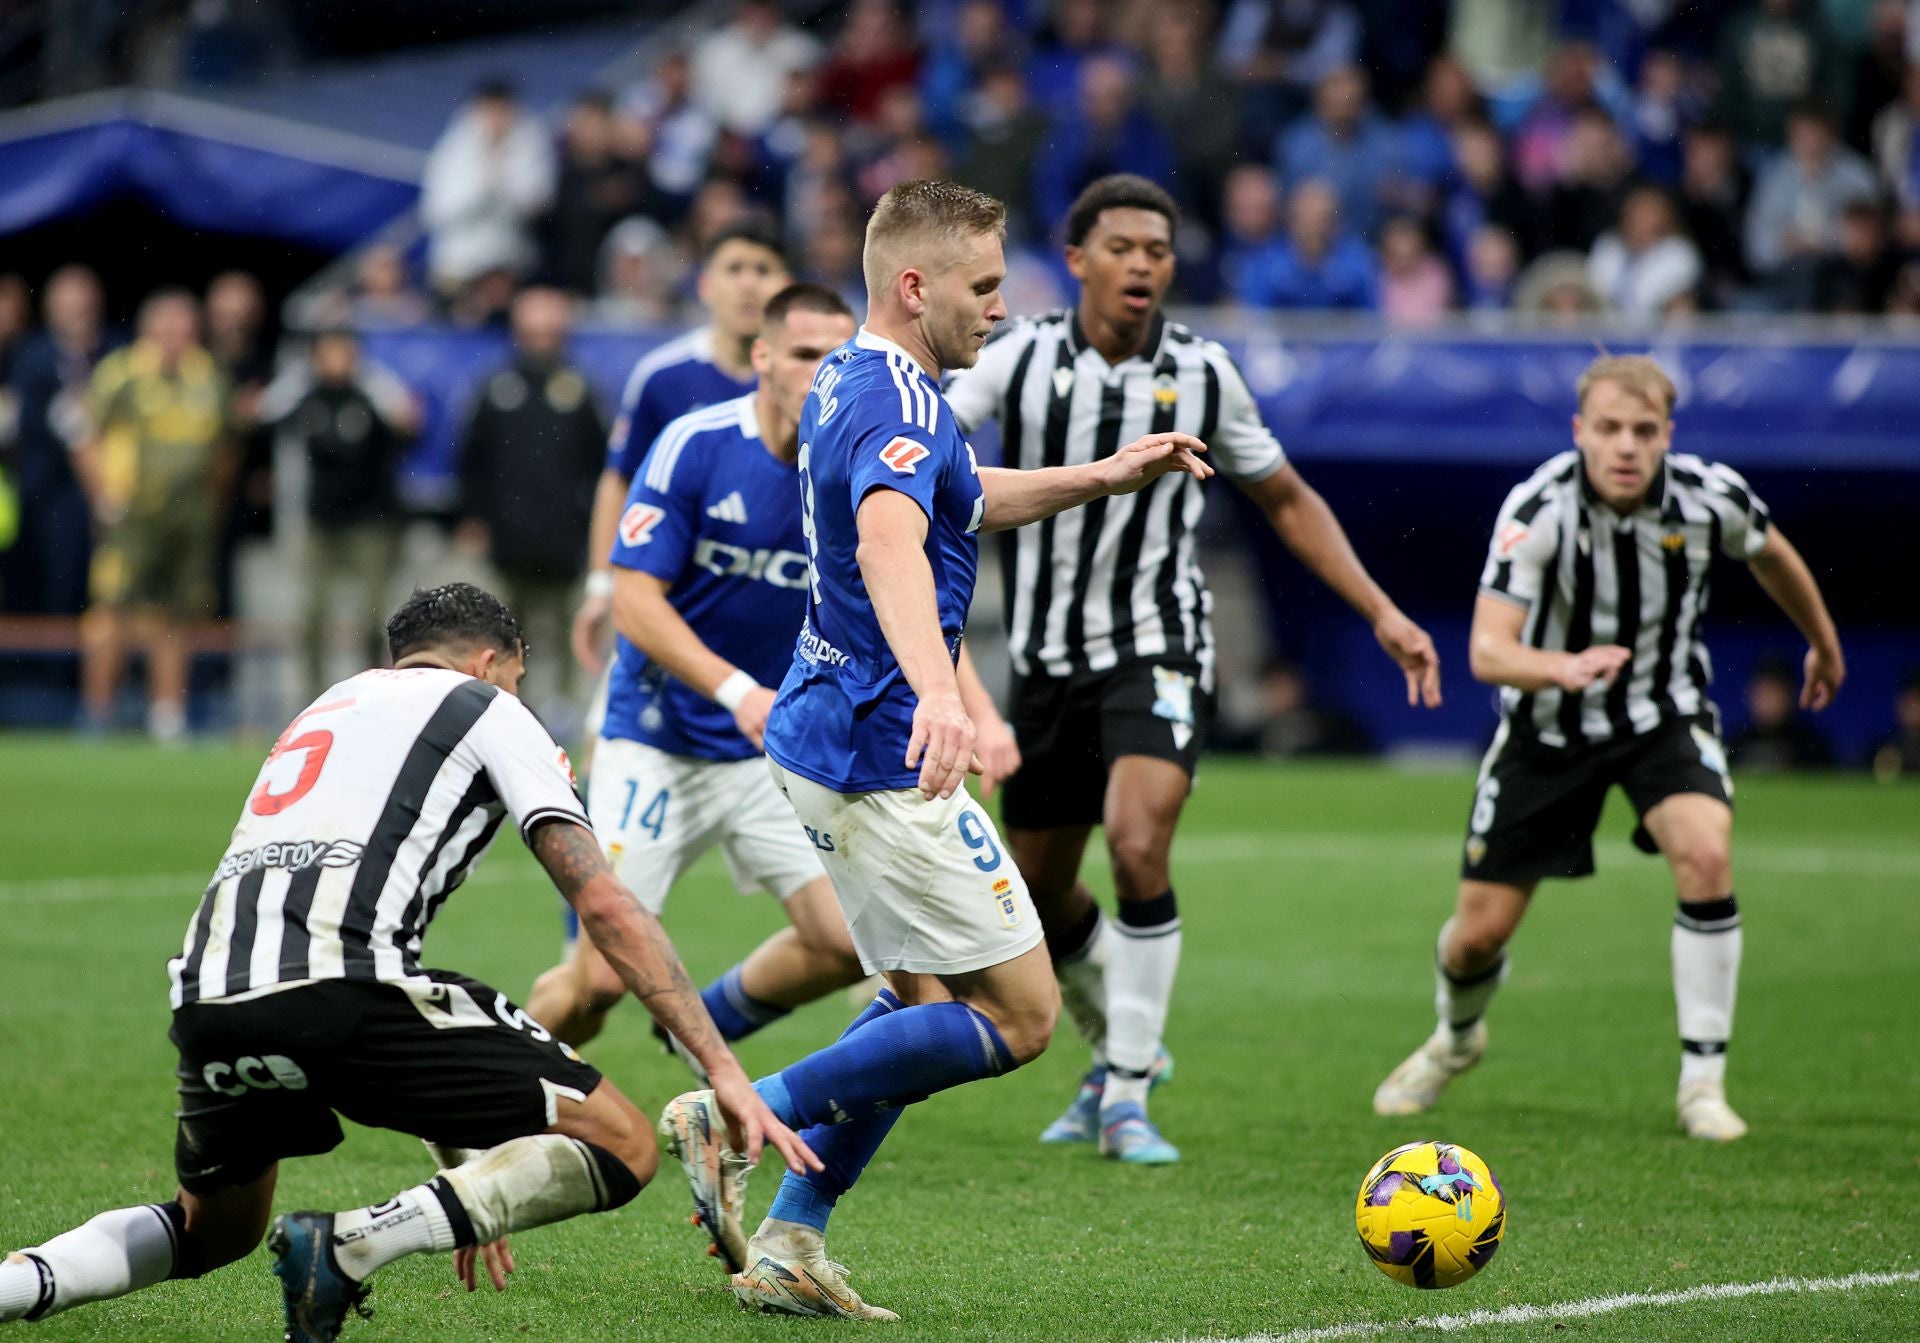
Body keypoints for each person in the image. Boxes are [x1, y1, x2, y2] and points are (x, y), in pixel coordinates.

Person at [655, 178, 1214, 1319]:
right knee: (1020, 1015)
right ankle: (737, 1106)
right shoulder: (902, 404)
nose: (1003, 309)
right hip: (872, 745)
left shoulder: (861, 378)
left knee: (920, 1001)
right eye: (985, 286)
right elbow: (890, 538)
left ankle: (793, 1238)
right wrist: (939, 696)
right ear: (916, 285)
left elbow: (953, 499)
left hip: (825, 728)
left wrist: (1100, 476)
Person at [0, 582, 815, 1341]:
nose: (518, 697)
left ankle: (15, 1284)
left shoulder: (329, 704)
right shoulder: (488, 707)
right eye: (519, 679)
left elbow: (407, 1022)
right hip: (340, 987)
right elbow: (603, 902)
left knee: (209, 1230)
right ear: (492, 663)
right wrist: (723, 1068)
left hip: (209, 994)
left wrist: (469, 1194)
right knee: (626, 1142)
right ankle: (350, 1245)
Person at [944, 173, 1440, 1163]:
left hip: (1160, 643)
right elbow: (927, 443)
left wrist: (1380, 607)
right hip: (1043, 661)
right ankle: (1119, 1052)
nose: (1142, 264)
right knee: (1035, 893)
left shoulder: (1206, 371)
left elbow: (1287, 497)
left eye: (1158, 250)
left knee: (1135, 843)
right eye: (1122, 246)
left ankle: (1128, 1089)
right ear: (1077, 259)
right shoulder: (1022, 360)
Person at [1372, 354, 1845, 1142]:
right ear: (1578, 432)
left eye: (1643, 431)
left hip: (1662, 714)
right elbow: (1489, 651)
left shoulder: (1707, 496)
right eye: (1609, 429)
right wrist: (1564, 667)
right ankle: (1456, 1039)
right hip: (1548, 730)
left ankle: (1702, 1084)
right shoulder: (1539, 506)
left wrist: (1823, 643)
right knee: (1476, 936)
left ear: (1668, 435)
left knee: (1705, 852)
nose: (1626, 447)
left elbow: (1771, 551)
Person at [523, 284, 868, 1051]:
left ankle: (700, 1025)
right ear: (763, 356)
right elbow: (636, 603)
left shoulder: (849, 468)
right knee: (599, 981)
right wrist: (736, 687)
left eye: (839, 358)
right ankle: (472, 1092)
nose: (823, 374)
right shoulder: (695, 442)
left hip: (762, 750)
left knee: (847, 944)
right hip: (657, 739)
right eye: (807, 354)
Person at [571, 223, 792, 680]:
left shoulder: (809, 381)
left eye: (764, 270)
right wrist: (601, 585)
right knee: (612, 730)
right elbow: (621, 481)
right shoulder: (664, 377)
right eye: (734, 269)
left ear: (788, 287)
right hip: (673, 596)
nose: (749, 283)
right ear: (705, 285)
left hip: (776, 599)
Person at [74, 289, 231, 740]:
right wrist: (103, 496)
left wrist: (211, 505)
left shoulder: (208, 376)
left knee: (176, 615)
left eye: (182, 326)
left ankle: (167, 716)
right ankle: (97, 712)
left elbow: (224, 450)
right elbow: (84, 435)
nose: (174, 335)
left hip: (188, 519)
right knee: (113, 609)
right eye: (165, 325)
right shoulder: (120, 373)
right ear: (147, 328)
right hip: (132, 519)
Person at [456, 288, 607, 720]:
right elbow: (472, 459)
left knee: (564, 628)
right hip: (508, 535)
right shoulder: (497, 388)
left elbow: (601, 468)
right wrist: (473, 517)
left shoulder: (580, 392)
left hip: (564, 536)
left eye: (549, 331)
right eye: (533, 331)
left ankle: (564, 708)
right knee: (504, 628)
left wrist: (592, 524)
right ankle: (506, 705)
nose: (541, 339)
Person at [255, 328, 417, 696]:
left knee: (371, 617)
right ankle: (314, 698)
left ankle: (373, 694)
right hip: (321, 522)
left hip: (371, 523)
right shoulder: (306, 394)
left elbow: (408, 428)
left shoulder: (374, 390)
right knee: (311, 615)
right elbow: (260, 416)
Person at [2, 266, 116, 616]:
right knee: (54, 585)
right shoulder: (29, 355)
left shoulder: (117, 351)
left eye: (83, 306)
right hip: (47, 490)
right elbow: (23, 419)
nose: (75, 314)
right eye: (67, 306)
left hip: (109, 488)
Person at [1727, 653, 1837, 771]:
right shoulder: (1736, 742)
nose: (1769, 699)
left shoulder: (1810, 745)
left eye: (1776, 691)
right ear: (1751, 694)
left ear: (1790, 695)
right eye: (1764, 691)